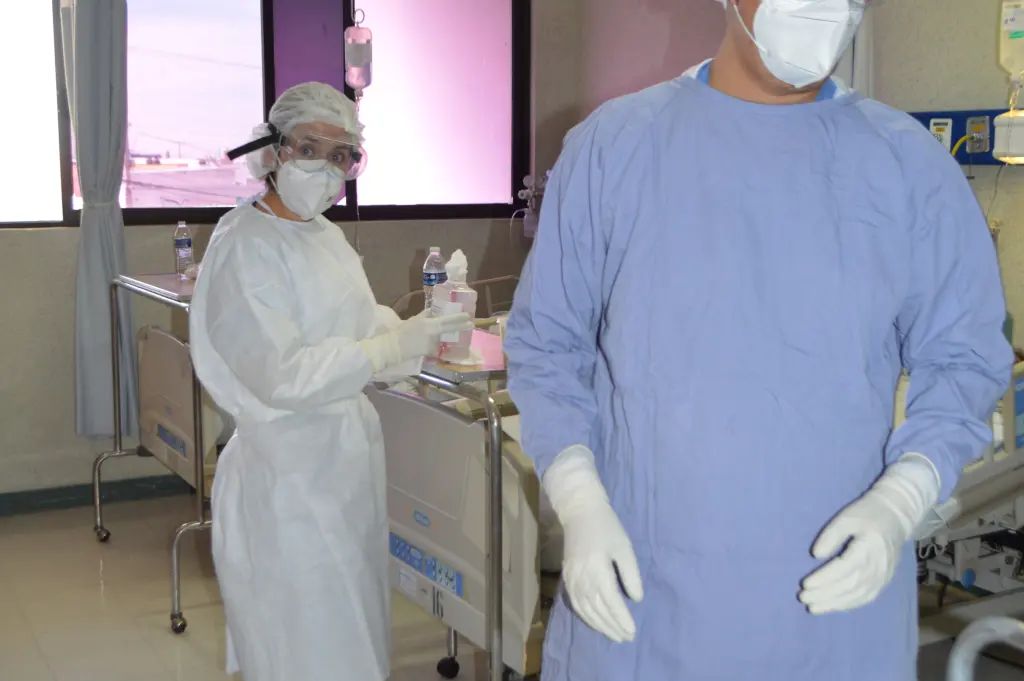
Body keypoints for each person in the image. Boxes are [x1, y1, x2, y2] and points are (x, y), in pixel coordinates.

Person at [504, 1, 1014, 679]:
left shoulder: (906, 164)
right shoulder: (616, 146)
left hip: (834, 614)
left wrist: (901, 499)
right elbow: (547, 344)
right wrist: (579, 499)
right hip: (643, 600)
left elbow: (965, 359)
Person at [188, 82, 472, 681]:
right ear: (273, 151)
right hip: (287, 477)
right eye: (309, 148)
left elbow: (357, 326)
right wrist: (392, 346)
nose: (326, 166)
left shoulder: (321, 233)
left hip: (341, 468)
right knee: (306, 650)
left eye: (341, 154)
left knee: (354, 640)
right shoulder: (246, 244)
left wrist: (423, 335)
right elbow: (282, 375)